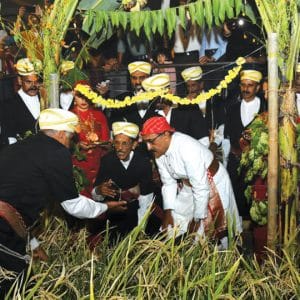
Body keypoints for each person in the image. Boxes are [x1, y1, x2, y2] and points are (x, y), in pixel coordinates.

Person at [0, 108, 126, 297]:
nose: (70, 144)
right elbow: (73, 205)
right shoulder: (56, 152)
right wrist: (106, 206)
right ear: (60, 134)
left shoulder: (19, 147)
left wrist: (34, 245)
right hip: (3, 230)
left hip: (7, 225)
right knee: (18, 287)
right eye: (70, 138)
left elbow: (16, 205)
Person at [141, 116, 242, 246]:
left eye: (151, 141)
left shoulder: (187, 148)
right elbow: (168, 183)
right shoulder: (158, 151)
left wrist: (197, 218)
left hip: (213, 183)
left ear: (166, 134)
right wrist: (168, 211)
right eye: (145, 142)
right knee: (175, 221)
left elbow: (201, 187)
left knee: (210, 231)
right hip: (189, 185)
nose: (148, 147)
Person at [92, 121, 161, 237]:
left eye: (125, 143)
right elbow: (96, 195)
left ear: (134, 145)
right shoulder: (107, 161)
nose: (119, 148)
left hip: (139, 213)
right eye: (117, 143)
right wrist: (99, 190)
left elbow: (146, 198)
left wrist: (140, 228)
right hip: (114, 215)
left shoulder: (143, 162)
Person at [224, 70, 267, 219]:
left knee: (258, 198)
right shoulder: (232, 108)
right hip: (236, 162)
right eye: (243, 85)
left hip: (259, 164)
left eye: (250, 85)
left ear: (258, 88)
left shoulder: (266, 107)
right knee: (235, 198)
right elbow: (228, 135)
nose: (245, 89)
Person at [142, 73, 209, 146]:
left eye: (159, 95)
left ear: (169, 92)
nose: (157, 99)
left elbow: (203, 140)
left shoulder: (188, 108)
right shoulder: (150, 115)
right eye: (153, 96)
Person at [71, 81, 110, 197]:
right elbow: (62, 145)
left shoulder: (99, 115)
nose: (84, 100)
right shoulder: (69, 116)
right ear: (74, 95)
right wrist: (77, 146)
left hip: (98, 165)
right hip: (77, 166)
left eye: (87, 96)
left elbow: (107, 143)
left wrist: (101, 144)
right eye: (80, 96)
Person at [181, 66, 228, 162]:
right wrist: (189, 105)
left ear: (201, 84)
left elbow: (222, 125)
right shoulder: (183, 104)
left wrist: (214, 143)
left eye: (193, 85)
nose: (190, 90)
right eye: (188, 86)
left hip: (214, 146)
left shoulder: (214, 99)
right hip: (193, 150)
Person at [3, 58, 42, 144]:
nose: (33, 86)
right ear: (20, 80)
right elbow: (9, 137)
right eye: (29, 82)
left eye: (36, 82)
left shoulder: (44, 98)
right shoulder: (9, 105)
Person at [111, 61, 157, 129]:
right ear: (130, 78)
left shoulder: (158, 98)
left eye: (141, 78)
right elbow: (113, 123)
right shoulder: (120, 99)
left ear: (149, 78)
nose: (137, 82)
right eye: (134, 78)